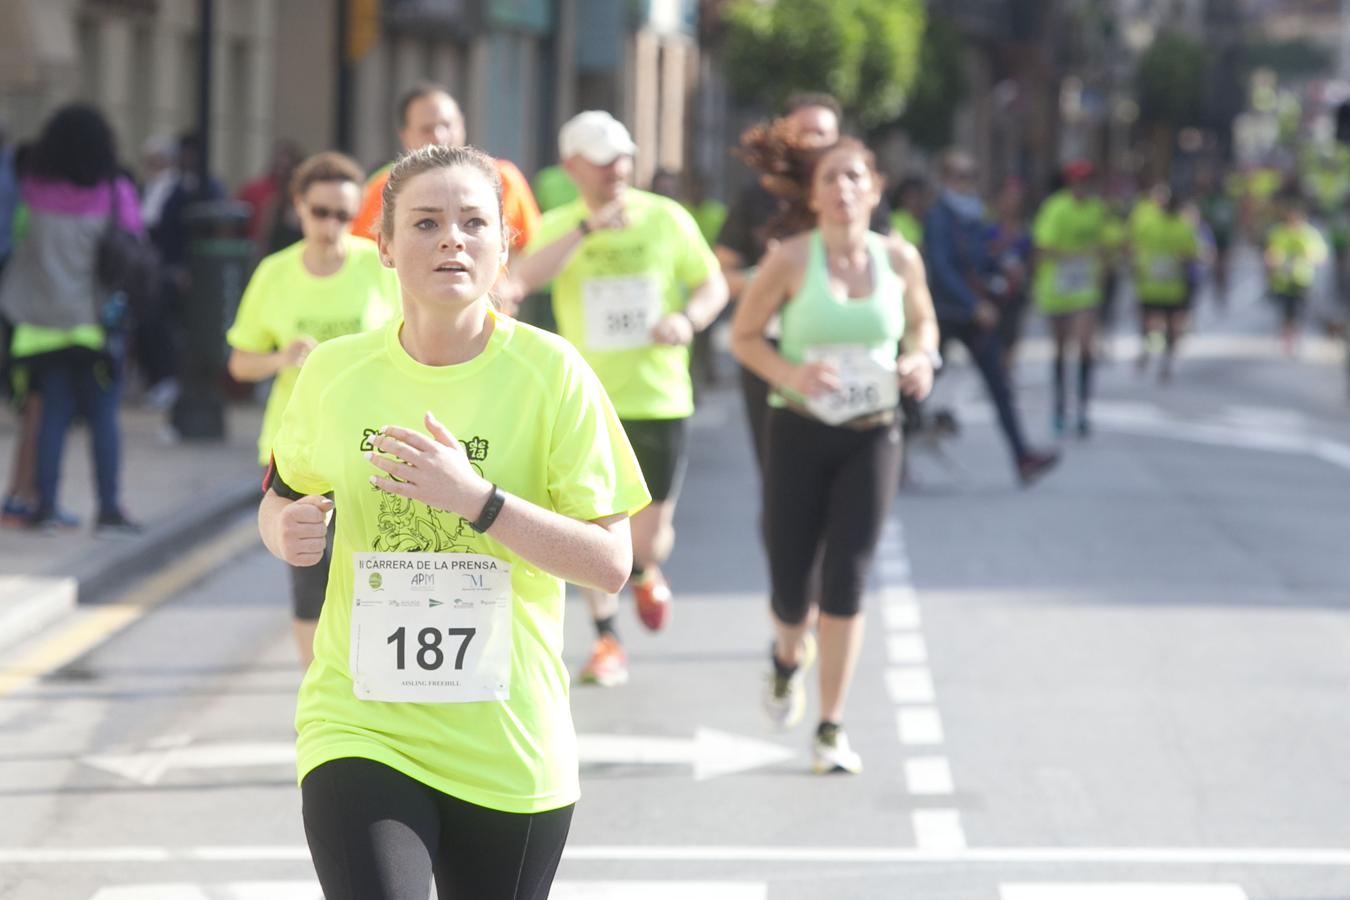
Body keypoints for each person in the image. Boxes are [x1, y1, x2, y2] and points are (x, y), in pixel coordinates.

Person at [258, 143, 648, 900]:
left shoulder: (553, 374)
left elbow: (609, 562)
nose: (451, 240)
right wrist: (285, 530)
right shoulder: (335, 373)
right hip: (360, 725)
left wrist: (479, 501)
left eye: (473, 223)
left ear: (505, 246)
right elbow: (279, 496)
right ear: (384, 245)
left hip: (507, 743)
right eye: (426, 223)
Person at [730, 135, 940, 774]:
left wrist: (919, 359)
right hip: (798, 430)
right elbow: (742, 337)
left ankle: (830, 727)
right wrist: (789, 374)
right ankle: (787, 654)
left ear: (874, 190)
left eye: (855, 177)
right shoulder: (791, 260)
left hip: (873, 433)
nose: (843, 189)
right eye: (830, 179)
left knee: (848, 575)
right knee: (793, 584)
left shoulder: (900, 260)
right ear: (814, 195)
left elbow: (923, 325)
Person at [505, 111, 729, 687]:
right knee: (590, 524)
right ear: (573, 166)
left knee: (648, 536)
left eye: (624, 157)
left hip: (658, 396)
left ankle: (649, 569)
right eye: (604, 161)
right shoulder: (560, 224)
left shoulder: (666, 219)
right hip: (587, 399)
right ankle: (607, 639)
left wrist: (688, 318)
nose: (618, 170)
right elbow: (517, 282)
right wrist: (586, 232)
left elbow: (712, 283)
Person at [227, 151, 400, 668]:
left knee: (378, 569)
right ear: (298, 207)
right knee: (310, 573)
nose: (331, 226)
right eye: (320, 212)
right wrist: (281, 357)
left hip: (375, 444)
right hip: (299, 447)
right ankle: (316, 693)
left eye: (344, 215)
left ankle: (380, 680)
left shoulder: (378, 267)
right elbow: (239, 363)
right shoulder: (274, 274)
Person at [717, 92, 892, 472]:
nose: (815, 142)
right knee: (781, 477)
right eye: (805, 133)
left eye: (823, 133)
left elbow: (893, 268)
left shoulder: (855, 192)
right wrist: (766, 279)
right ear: (786, 137)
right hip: (771, 350)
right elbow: (722, 276)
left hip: (849, 355)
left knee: (852, 479)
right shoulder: (756, 196)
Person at [0, 104, 143, 534]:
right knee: (103, 418)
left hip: (37, 326)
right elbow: (135, 246)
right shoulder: (114, 192)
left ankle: (43, 507)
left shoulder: (29, 190)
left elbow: (13, 242)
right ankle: (109, 509)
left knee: (51, 416)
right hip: (92, 325)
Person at [925, 150, 1058, 482]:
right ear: (944, 179)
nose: (965, 182)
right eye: (958, 175)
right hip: (945, 313)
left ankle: (1023, 457)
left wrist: (1002, 269)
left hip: (974, 316)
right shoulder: (939, 217)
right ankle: (888, 448)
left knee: (1000, 385)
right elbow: (942, 269)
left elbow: (979, 260)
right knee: (919, 380)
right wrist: (973, 304)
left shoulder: (975, 217)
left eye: (971, 175)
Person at [350, 83, 540, 257]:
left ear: (462, 125)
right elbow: (361, 254)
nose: (440, 136)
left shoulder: (502, 178)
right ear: (405, 136)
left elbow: (531, 247)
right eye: (427, 129)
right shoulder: (386, 188)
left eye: (447, 125)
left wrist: (509, 284)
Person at [1031, 160, 1109, 437]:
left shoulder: (1097, 209)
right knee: (1061, 349)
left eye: (1087, 181)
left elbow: (1104, 243)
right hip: (1057, 288)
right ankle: (1059, 407)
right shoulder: (1056, 208)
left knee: (1085, 346)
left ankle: (1083, 408)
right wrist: (1071, 257)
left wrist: (1101, 264)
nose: (1083, 186)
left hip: (1085, 289)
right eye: (1078, 181)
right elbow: (1043, 247)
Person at [1132, 187, 1200, 381]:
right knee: (1155, 323)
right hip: (1156, 285)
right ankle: (1155, 356)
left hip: (1167, 287)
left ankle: (1162, 360)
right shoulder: (1152, 223)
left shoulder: (1180, 227)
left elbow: (1191, 253)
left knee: (1164, 324)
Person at [1264, 192, 1328, 354]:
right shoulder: (1280, 232)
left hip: (1303, 279)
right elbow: (1271, 253)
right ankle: (1287, 339)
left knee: (1300, 311)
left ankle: (1296, 336)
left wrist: (1310, 256)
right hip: (1284, 281)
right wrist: (1273, 261)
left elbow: (1321, 254)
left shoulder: (1309, 234)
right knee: (1287, 311)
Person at [985, 176, 1033, 373]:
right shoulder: (989, 229)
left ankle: (1006, 373)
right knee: (993, 335)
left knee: (1011, 335)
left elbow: (1032, 257)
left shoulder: (1024, 231)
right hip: (993, 289)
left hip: (1016, 291)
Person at [888, 175, 930, 247]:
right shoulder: (895, 219)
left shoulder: (927, 220)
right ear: (902, 198)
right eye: (912, 197)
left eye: (920, 197)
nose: (917, 201)